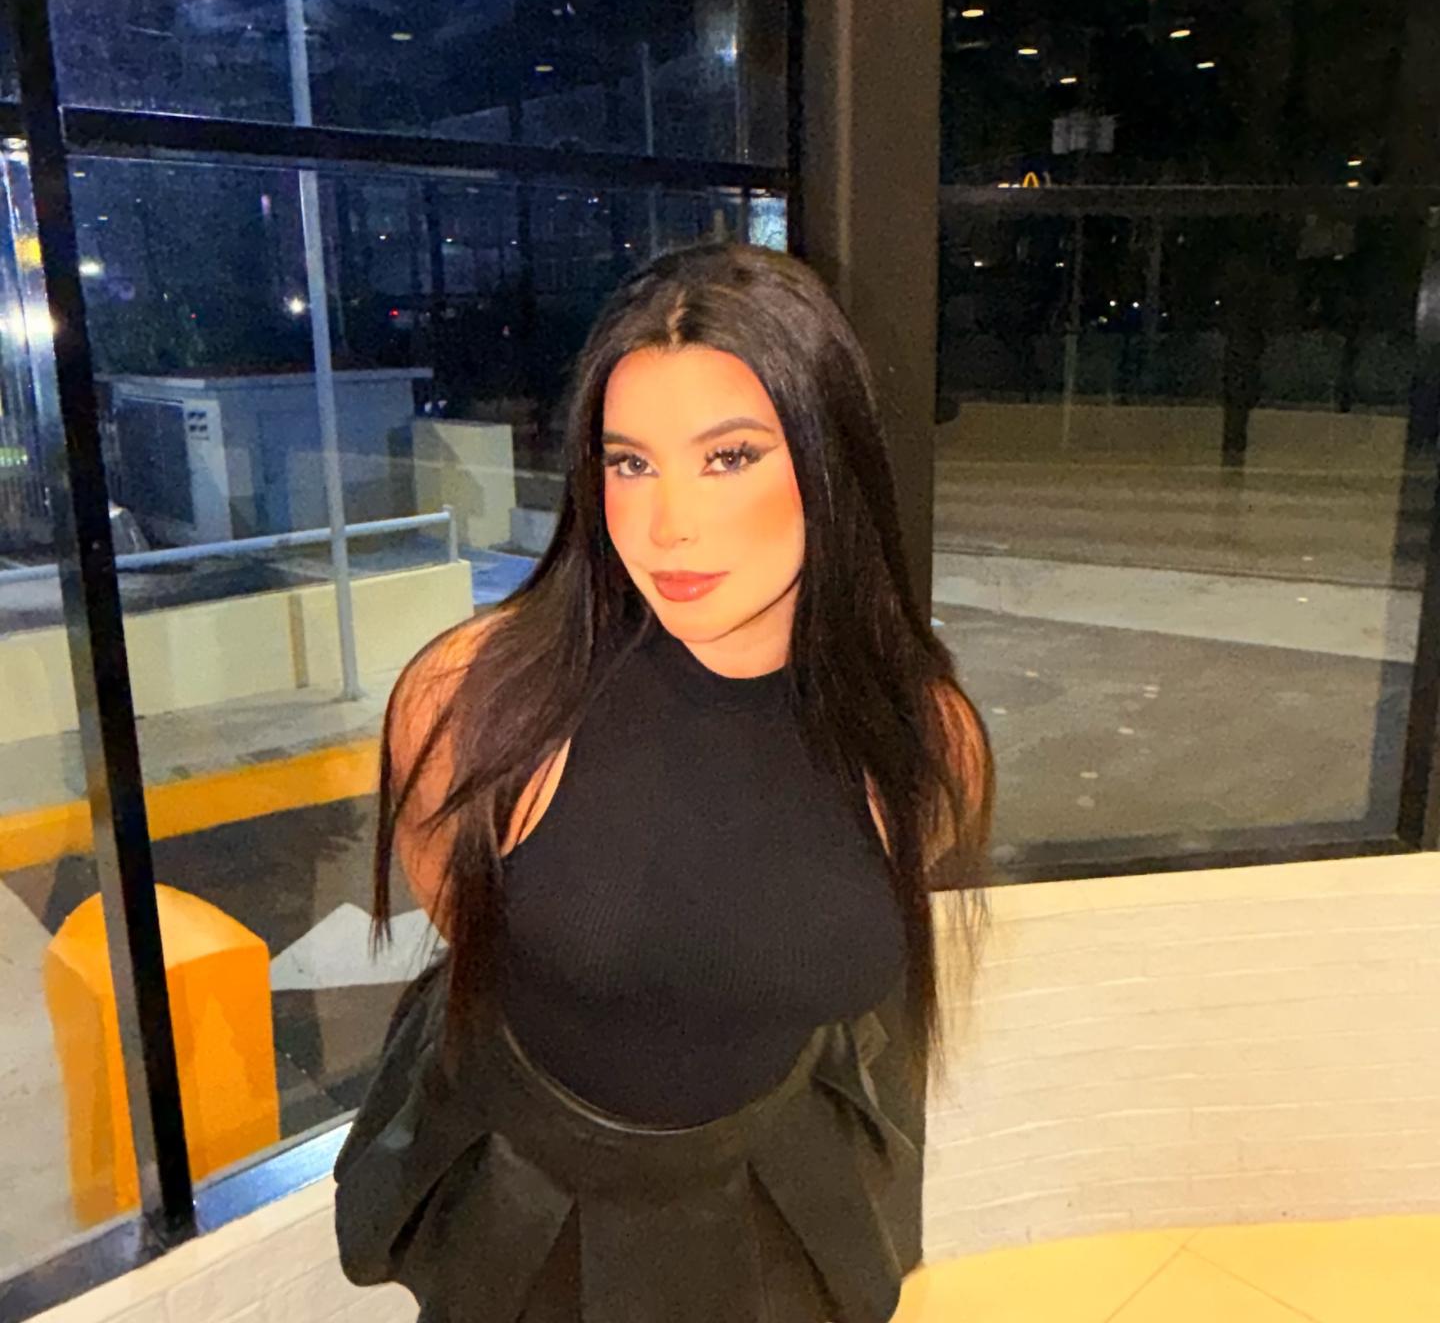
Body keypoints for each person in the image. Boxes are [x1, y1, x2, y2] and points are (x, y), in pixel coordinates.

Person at [333, 242, 995, 1323]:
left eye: (728, 457)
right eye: (629, 463)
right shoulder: (479, 702)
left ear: (828, 457)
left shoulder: (921, 734)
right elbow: (474, 929)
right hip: (530, 1221)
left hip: (784, 1199)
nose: (667, 524)